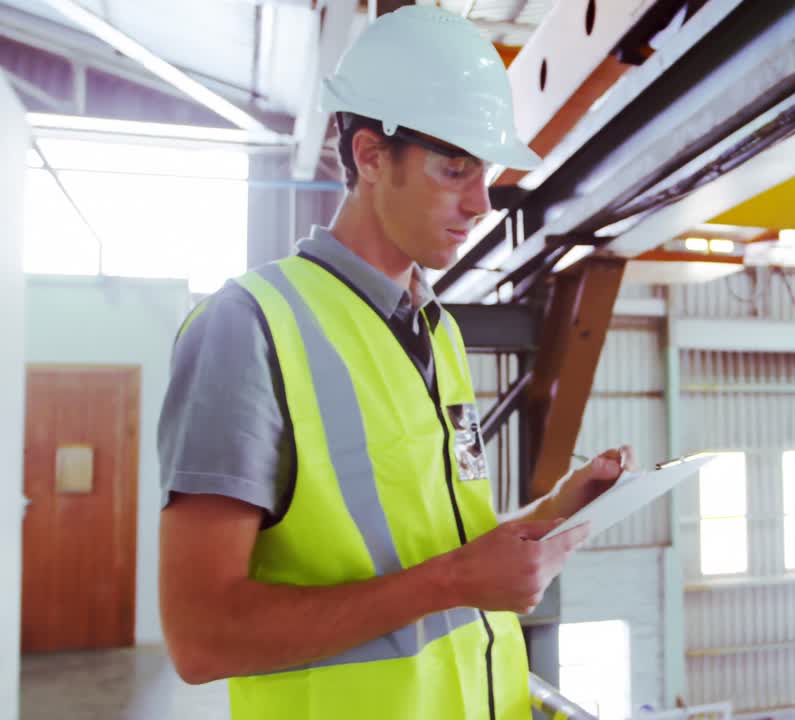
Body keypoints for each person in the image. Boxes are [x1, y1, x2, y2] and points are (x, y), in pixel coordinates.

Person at [156, 6, 634, 719]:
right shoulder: (249, 328)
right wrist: (453, 582)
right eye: (455, 169)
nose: (481, 203)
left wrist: (553, 510)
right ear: (372, 156)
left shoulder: (437, 332)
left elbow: (436, 547)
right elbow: (202, 639)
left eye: (485, 172)